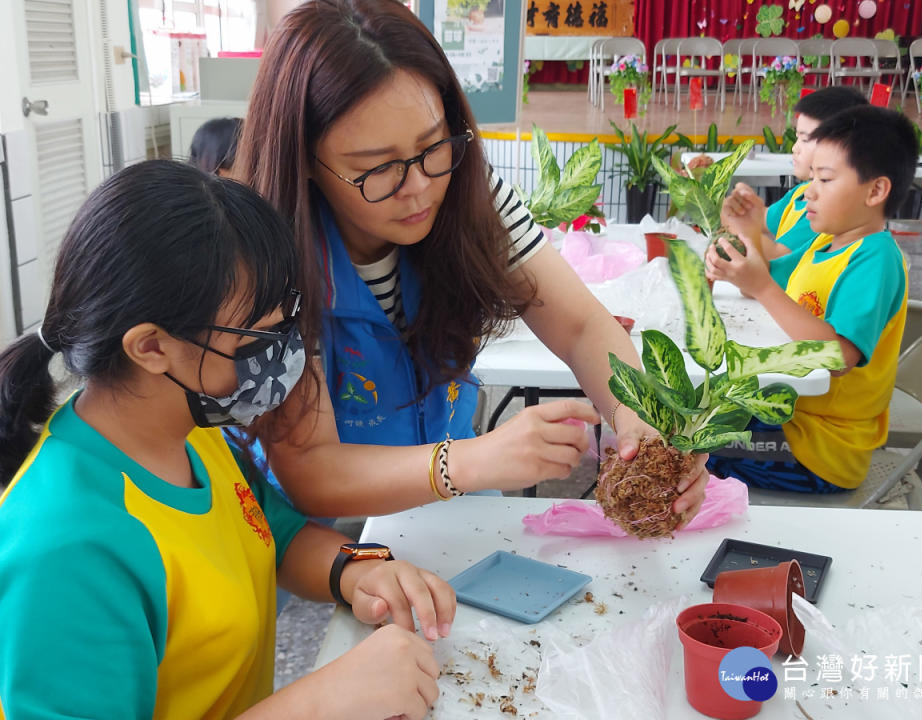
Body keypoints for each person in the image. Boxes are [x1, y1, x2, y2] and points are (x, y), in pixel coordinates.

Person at [0, 160, 455, 720]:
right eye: (256, 336)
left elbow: (272, 536)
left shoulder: (190, 431)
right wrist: (317, 704)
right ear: (150, 347)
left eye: (285, 321)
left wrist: (360, 568)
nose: (283, 352)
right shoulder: (68, 546)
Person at [232, 0, 708, 520]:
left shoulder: (473, 195)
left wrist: (639, 414)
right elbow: (313, 472)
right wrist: (466, 462)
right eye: (379, 168)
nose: (419, 189)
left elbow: (579, 325)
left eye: (433, 146)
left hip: (450, 509)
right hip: (323, 538)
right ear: (303, 159)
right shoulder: (263, 256)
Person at [704, 106, 918, 493]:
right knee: (681, 415)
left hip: (821, 448)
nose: (810, 191)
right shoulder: (823, 243)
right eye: (812, 177)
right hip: (792, 415)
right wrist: (748, 234)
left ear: (875, 190)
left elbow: (837, 358)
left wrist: (763, 286)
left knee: (687, 445)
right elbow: (763, 287)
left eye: (825, 179)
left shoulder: (876, 259)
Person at [721, 87, 868, 285]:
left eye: (805, 139)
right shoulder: (799, 194)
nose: (794, 148)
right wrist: (741, 208)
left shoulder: (824, 213)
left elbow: (770, 265)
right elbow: (761, 217)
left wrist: (744, 229)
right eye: (797, 137)